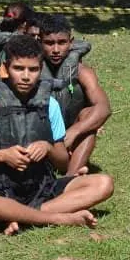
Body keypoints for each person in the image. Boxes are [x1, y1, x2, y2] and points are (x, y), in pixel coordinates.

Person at [0, 35, 113, 235]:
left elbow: (62, 164)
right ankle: (57, 218)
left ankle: (14, 216)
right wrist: (2, 155)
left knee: (103, 183)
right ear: (5, 69)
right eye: (18, 68)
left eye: (33, 69)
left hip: (42, 187)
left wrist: (48, 147)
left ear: (40, 69)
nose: (26, 76)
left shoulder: (49, 104)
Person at [37, 15, 109, 175]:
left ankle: (69, 178)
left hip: (70, 139)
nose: (56, 50)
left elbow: (104, 107)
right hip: (38, 137)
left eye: (62, 42)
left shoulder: (82, 71)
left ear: (71, 42)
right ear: (39, 41)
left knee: (89, 114)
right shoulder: (31, 69)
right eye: (49, 43)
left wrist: (73, 132)